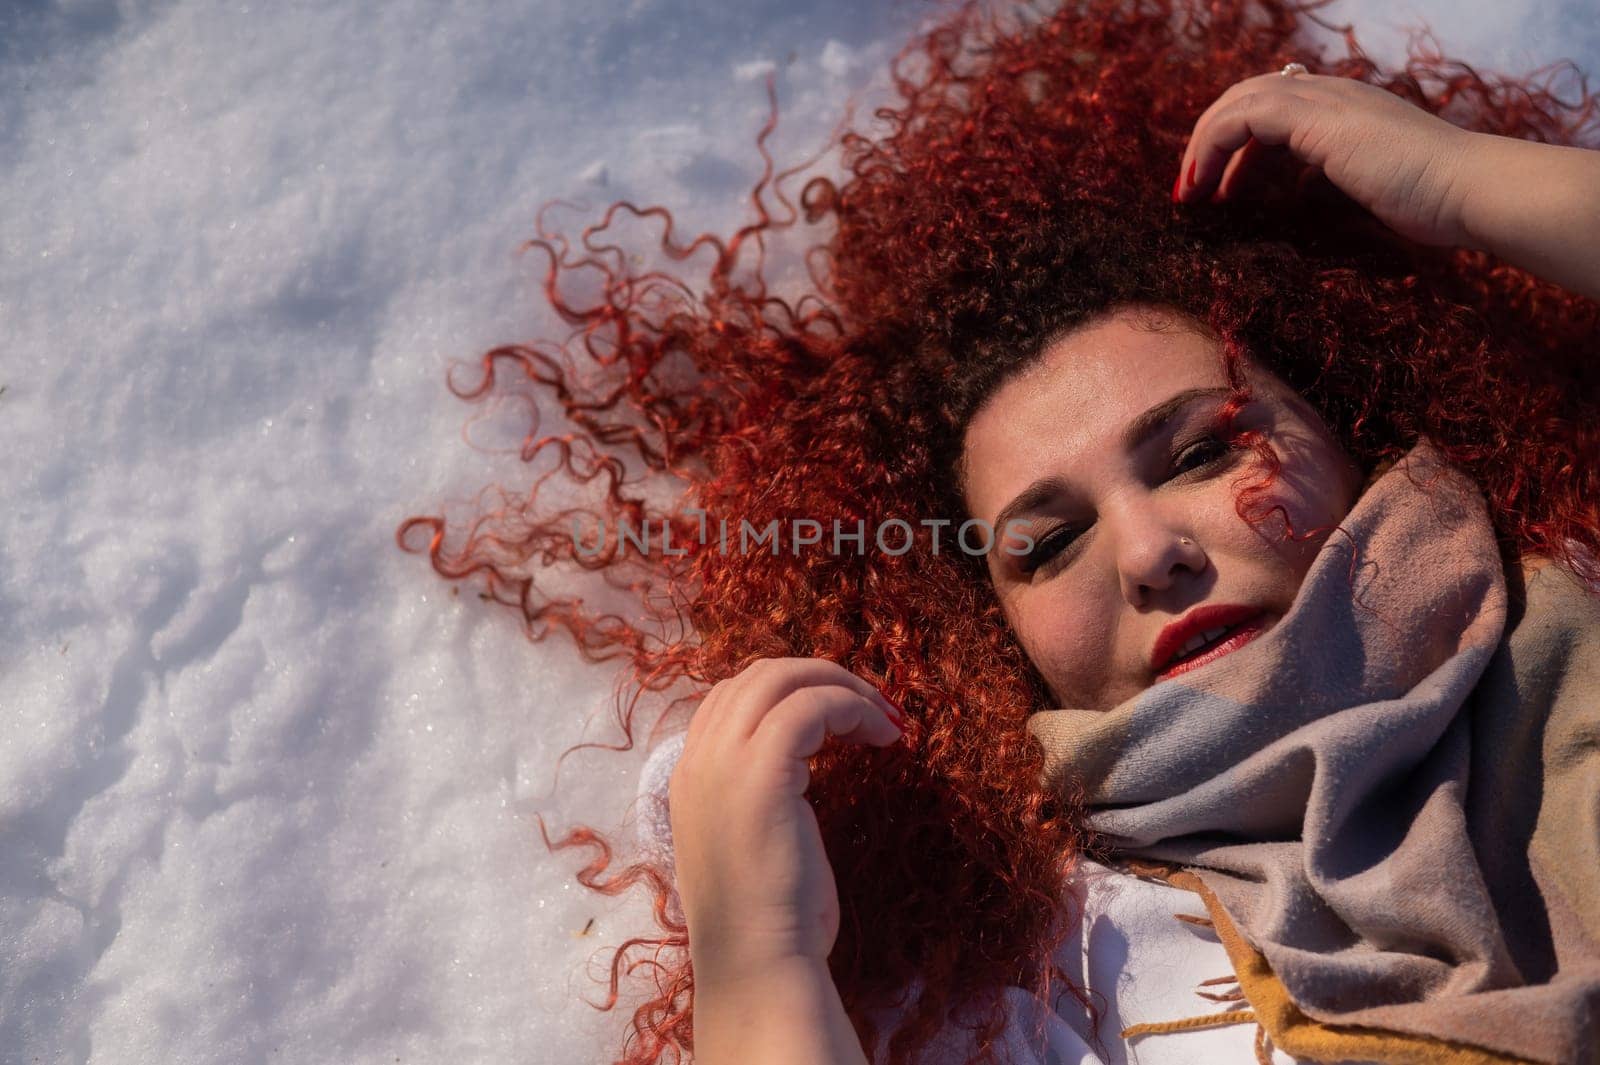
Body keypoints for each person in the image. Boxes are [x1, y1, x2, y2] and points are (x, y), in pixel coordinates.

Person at [397, 0, 1600, 1062]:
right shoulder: (1042, 981)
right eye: (1046, 544)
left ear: (1358, 419)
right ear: (993, 636)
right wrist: (758, 972)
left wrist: (1460, 185)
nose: (1148, 553)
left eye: (1198, 451)